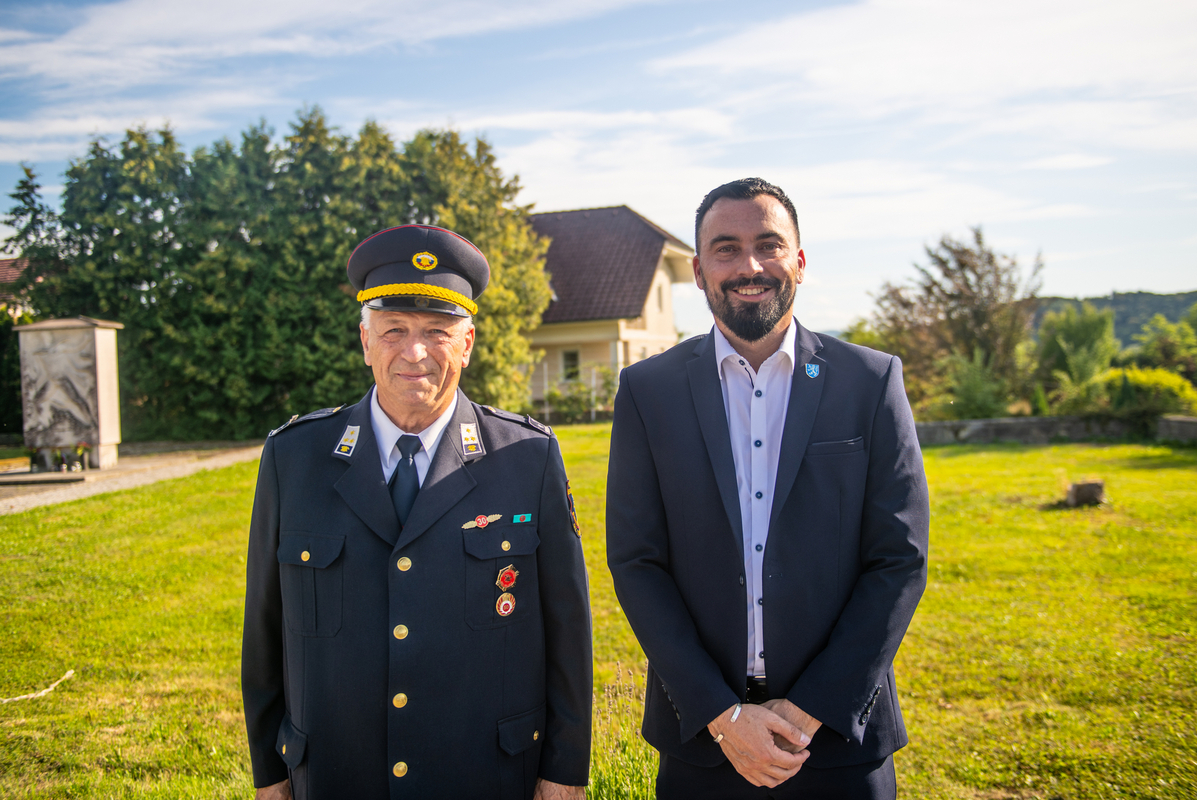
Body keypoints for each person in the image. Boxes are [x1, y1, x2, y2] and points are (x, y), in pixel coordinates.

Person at [242, 224, 592, 800]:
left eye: (437, 332)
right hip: (336, 772)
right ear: (365, 340)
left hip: (486, 774)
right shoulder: (294, 458)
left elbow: (568, 631)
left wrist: (564, 772)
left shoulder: (527, 458)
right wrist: (269, 772)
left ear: (467, 343)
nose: (415, 353)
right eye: (394, 330)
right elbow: (264, 629)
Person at [606, 178, 929, 799]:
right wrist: (723, 717)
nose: (749, 266)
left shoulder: (870, 382)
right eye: (725, 249)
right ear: (698, 271)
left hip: (838, 741)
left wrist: (811, 710)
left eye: (769, 245)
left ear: (799, 261)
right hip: (703, 745)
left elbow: (899, 558)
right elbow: (636, 562)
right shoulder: (647, 392)